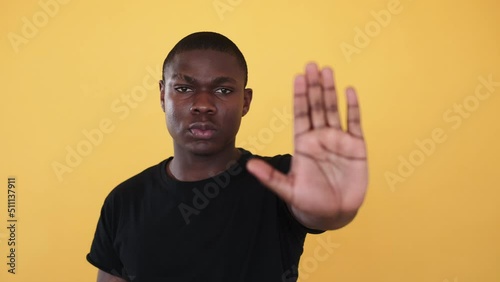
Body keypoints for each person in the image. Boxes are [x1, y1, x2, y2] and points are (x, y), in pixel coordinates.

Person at [86, 31, 368, 282]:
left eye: (223, 90)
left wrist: (331, 209)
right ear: (162, 95)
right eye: (184, 88)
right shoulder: (124, 201)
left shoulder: (281, 179)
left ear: (245, 101)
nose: (203, 105)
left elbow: (317, 211)